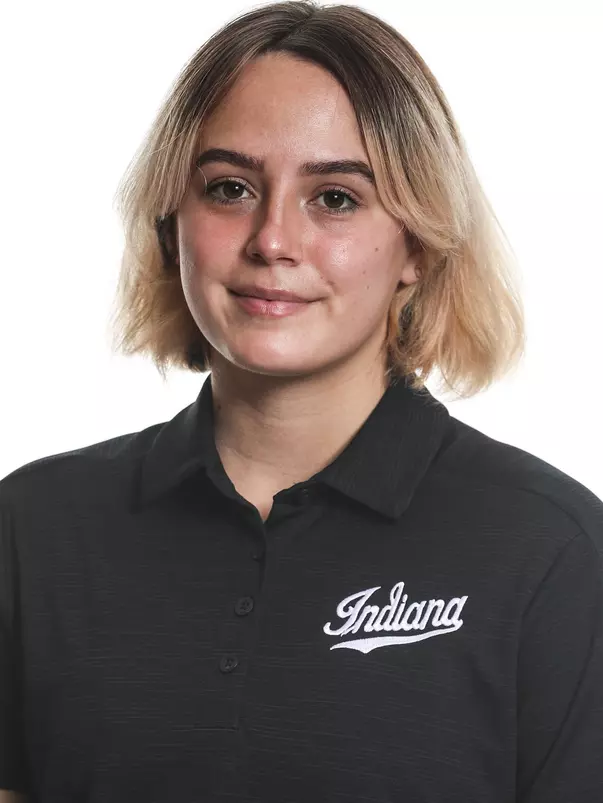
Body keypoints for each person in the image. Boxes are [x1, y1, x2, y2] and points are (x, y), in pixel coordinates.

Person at [1, 1, 602, 801]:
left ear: (415, 245)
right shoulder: (33, 528)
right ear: (170, 224)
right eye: (229, 187)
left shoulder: (550, 547)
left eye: (335, 199)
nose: (272, 239)